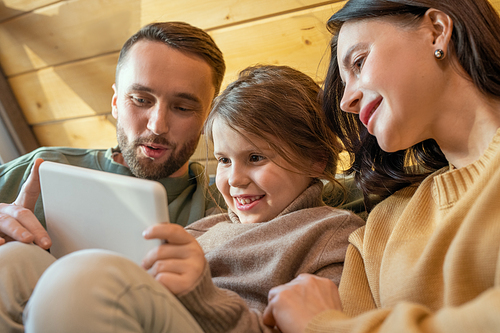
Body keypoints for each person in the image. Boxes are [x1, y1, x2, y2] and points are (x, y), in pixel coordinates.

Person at [20, 65, 365, 332]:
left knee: (86, 277)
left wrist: (203, 295)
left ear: (317, 159)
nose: (235, 179)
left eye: (256, 158)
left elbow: (312, 323)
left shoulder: (331, 233)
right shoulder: (207, 226)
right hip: (147, 314)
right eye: (224, 161)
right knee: (16, 261)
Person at [262, 0, 500, 332]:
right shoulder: (377, 232)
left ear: (437, 32)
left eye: (358, 62)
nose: (346, 101)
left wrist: (322, 326)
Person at [0, 21, 226, 332]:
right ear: (116, 101)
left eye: (183, 107)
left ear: (207, 118)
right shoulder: (43, 169)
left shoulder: (227, 203)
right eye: (141, 100)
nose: (157, 125)